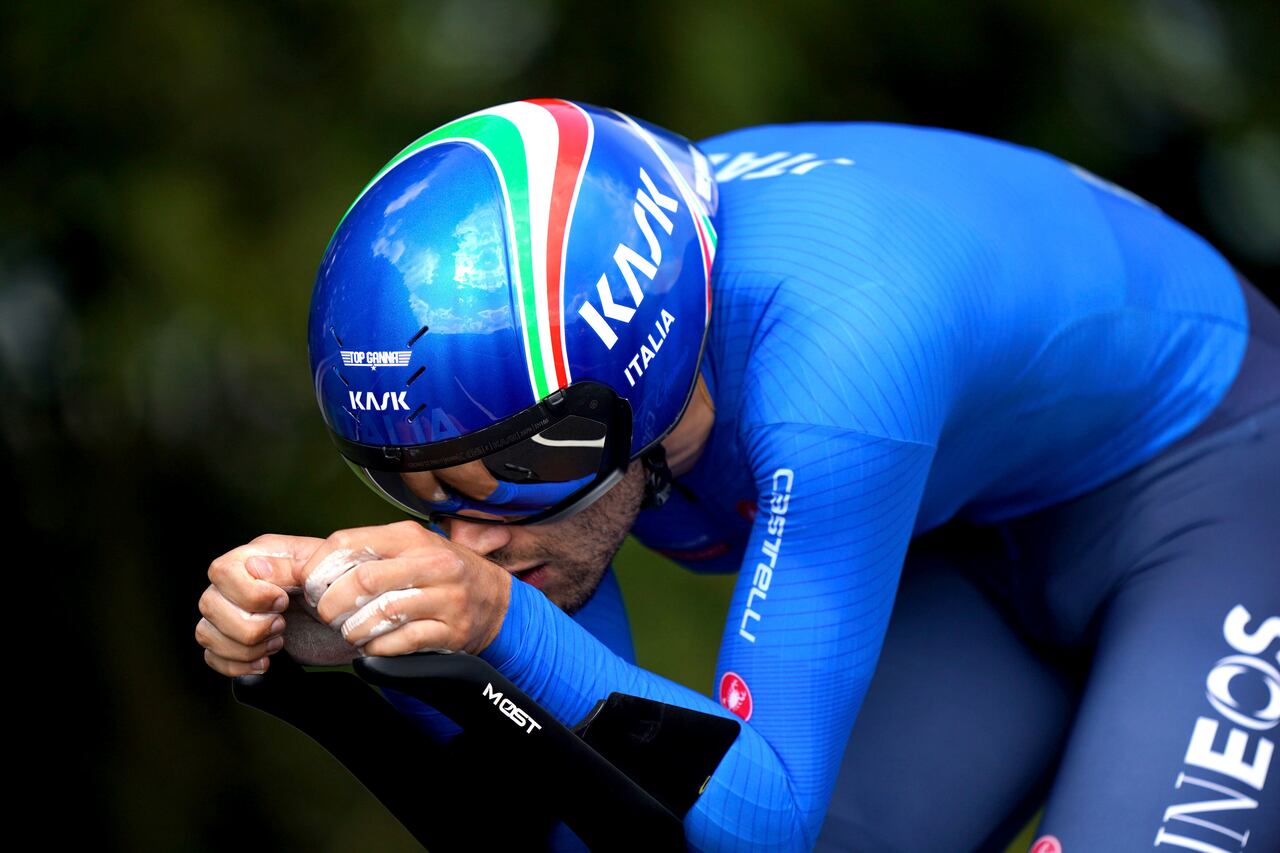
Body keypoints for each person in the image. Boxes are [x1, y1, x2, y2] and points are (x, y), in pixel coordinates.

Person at [195, 99, 1280, 852]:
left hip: (1219, 492)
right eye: (420, 489)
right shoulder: (586, 374)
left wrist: (496, 620)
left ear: (645, 386)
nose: (470, 533)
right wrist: (348, 653)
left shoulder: (831, 379)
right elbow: (582, 819)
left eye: (514, 471)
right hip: (971, 527)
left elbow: (765, 821)